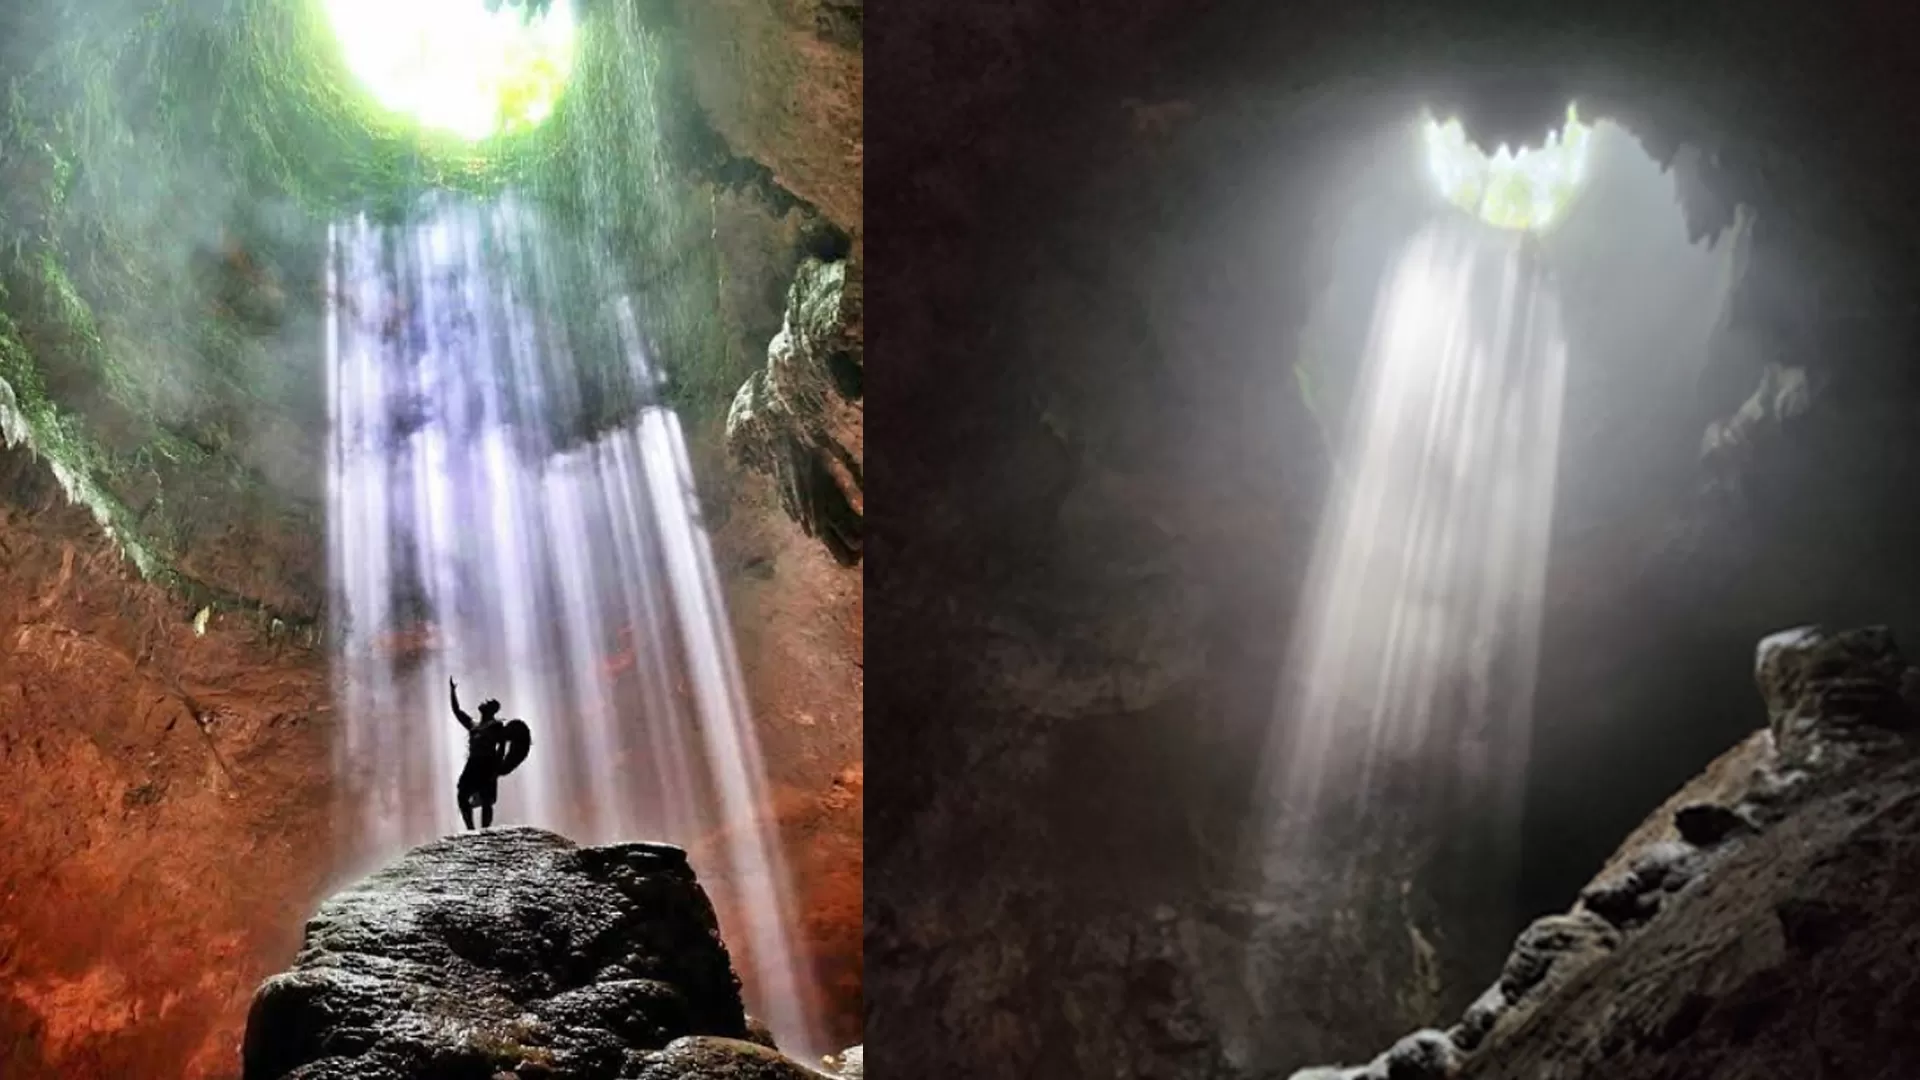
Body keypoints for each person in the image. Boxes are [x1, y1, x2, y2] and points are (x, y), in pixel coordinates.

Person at [449, 677, 532, 830]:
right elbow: (457, 711)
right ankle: (470, 829)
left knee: (486, 798)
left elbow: (501, 747)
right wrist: (452, 691)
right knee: (462, 794)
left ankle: (485, 830)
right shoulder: (473, 725)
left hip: (488, 763)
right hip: (473, 763)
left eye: (487, 703)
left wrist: (497, 768)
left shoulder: (496, 726)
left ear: (491, 710)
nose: (483, 702)